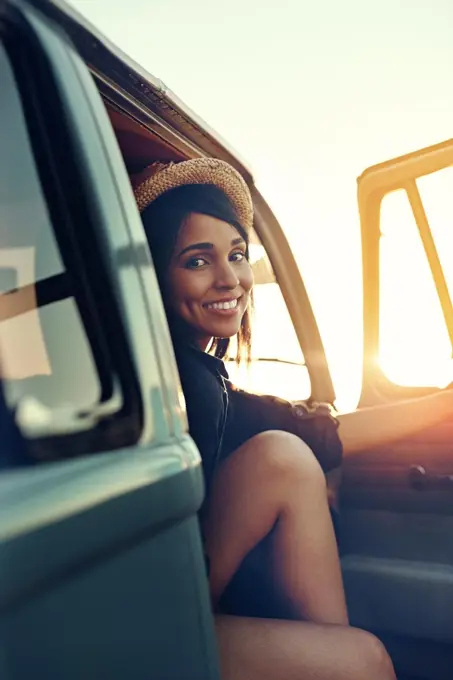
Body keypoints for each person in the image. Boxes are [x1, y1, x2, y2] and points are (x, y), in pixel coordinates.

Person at [132, 157, 452, 679]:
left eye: (236, 255)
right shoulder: (166, 379)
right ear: (151, 275)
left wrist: (440, 405)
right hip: (127, 622)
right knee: (363, 659)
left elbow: (315, 430)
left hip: (164, 596)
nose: (229, 279)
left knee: (285, 455)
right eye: (196, 261)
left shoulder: (201, 378)